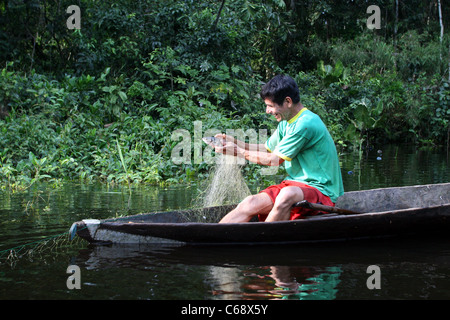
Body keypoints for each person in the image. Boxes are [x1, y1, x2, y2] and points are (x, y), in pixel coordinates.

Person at [213, 74, 344, 223]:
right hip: (295, 186)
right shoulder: (285, 122)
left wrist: (237, 151)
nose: (267, 111)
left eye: (270, 106)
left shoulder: (305, 123)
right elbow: (267, 149)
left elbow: (275, 160)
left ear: (287, 101)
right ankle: (210, 239)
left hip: (322, 191)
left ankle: (263, 240)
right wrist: (235, 142)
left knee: (286, 194)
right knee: (249, 203)